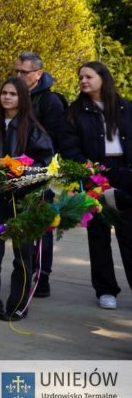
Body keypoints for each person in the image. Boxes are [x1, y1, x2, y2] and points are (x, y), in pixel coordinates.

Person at [59, 61, 132, 310]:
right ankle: (106, 290)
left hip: (126, 174)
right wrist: (89, 170)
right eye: (80, 77)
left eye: (88, 76)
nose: (83, 81)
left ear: (103, 78)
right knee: (98, 235)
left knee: (129, 233)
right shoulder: (74, 112)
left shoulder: (126, 108)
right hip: (94, 175)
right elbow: (69, 148)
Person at [0, 78, 53, 321]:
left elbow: (45, 164)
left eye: (13, 94)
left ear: (22, 98)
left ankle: (18, 305)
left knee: (23, 255)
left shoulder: (32, 128)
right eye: (4, 92)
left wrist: (20, 173)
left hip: (23, 199)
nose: (7, 97)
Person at [13, 51, 67, 297]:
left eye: (23, 72)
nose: (19, 75)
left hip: (41, 169)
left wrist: (43, 167)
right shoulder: (16, 95)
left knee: (42, 224)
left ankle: (42, 275)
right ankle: (24, 271)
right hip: (15, 169)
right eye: (16, 71)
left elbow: (56, 138)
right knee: (21, 224)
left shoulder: (50, 101)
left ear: (38, 73)